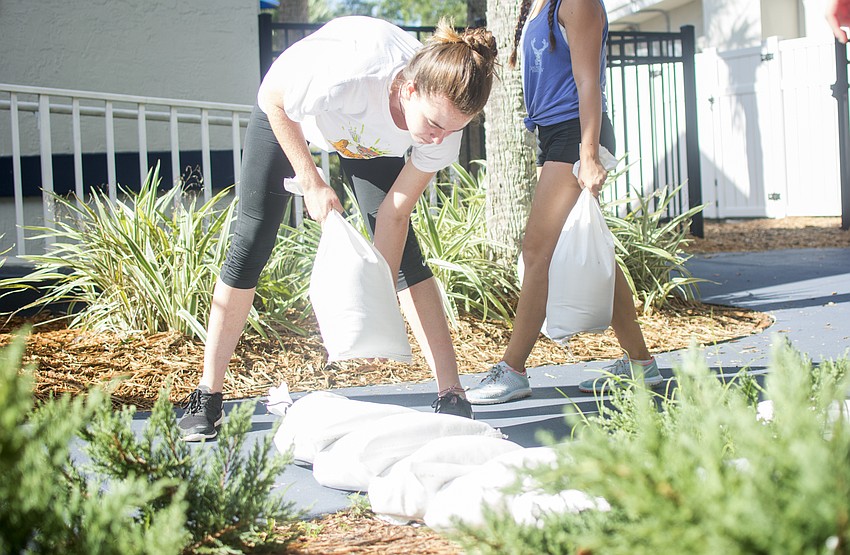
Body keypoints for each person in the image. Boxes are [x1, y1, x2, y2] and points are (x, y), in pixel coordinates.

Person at [178, 16, 497, 440]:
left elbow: (394, 215)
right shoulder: (353, 72)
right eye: (436, 125)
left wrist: (373, 298)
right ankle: (208, 396)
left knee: (408, 258)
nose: (440, 139)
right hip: (289, 115)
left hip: (365, 141)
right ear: (410, 89)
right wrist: (311, 182)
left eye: (455, 129)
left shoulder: (443, 131)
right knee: (251, 240)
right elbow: (275, 99)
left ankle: (452, 393)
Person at [465, 0, 661, 404]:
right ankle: (641, 364)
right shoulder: (537, 6)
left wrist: (587, 156)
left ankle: (513, 369)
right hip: (552, 135)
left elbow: (589, 83)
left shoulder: (576, 2)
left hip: (576, 133)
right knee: (581, 249)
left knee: (537, 251)